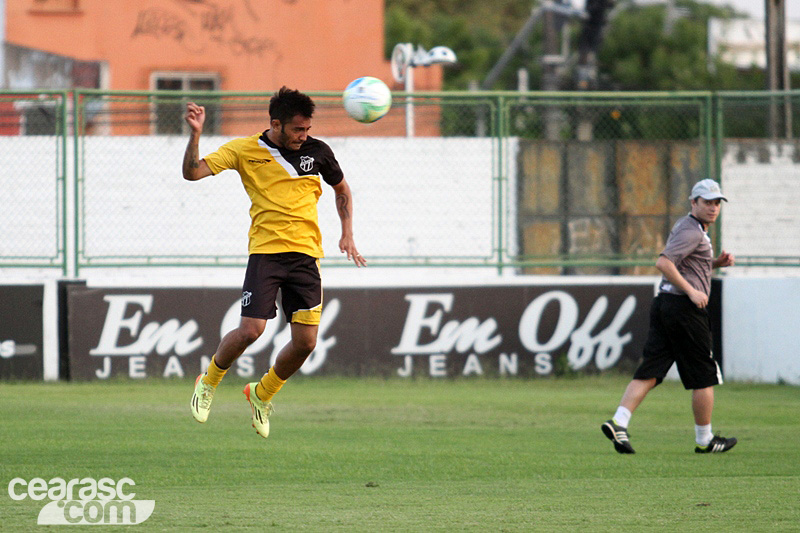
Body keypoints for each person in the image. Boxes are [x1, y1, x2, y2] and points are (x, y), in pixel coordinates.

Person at [183, 87, 367, 439]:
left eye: (307, 129)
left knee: (306, 343)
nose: (304, 136)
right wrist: (195, 136)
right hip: (266, 253)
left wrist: (348, 233)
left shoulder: (318, 152)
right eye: (298, 129)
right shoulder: (244, 150)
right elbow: (193, 173)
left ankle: (262, 393)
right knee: (252, 330)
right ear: (276, 124)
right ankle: (208, 382)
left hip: (306, 257)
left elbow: (341, 190)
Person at [602, 179, 737, 454]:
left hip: (666, 305)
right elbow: (664, 263)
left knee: (651, 370)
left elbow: (686, 263)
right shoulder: (693, 232)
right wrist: (692, 292)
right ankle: (705, 439)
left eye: (716, 203)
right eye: (706, 202)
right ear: (693, 203)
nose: (712, 208)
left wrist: (714, 264)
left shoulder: (689, 227)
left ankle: (619, 421)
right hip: (684, 309)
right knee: (703, 376)